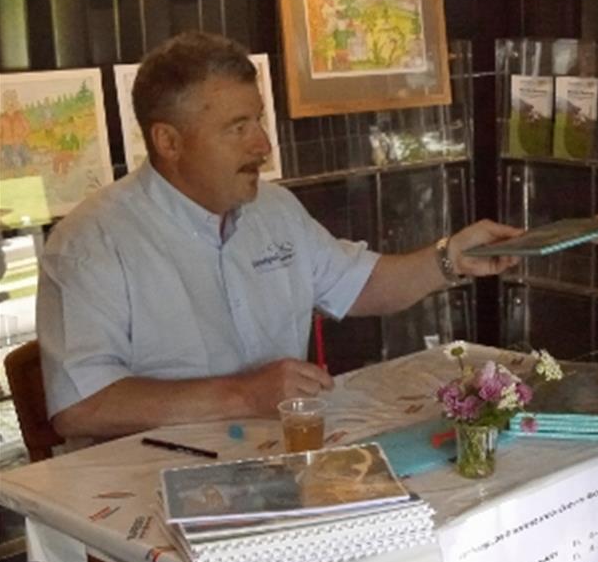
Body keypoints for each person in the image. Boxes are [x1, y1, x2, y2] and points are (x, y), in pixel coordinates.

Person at [39, 31, 521, 440]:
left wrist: (451, 259)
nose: (264, 145)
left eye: (260, 120)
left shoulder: (272, 208)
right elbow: (81, 405)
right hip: (149, 488)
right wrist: (244, 395)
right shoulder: (92, 242)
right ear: (169, 141)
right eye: (238, 127)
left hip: (281, 456)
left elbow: (362, 284)